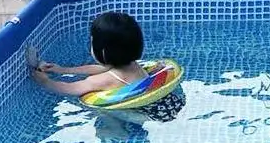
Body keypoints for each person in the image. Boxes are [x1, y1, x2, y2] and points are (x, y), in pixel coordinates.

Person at [31, 11, 184, 124]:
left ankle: (116, 132)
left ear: (102, 51)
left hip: (148, 117)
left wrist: (45, 81)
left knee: (103, 115)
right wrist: (63, 70)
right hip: (170, 103)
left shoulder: (100, 81)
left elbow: (68, 89)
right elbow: (102, 68)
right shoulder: (133, 64)